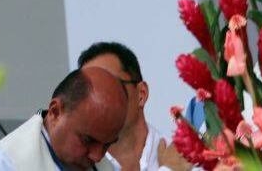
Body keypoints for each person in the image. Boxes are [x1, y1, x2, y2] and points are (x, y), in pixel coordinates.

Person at [0, 67, 128, 171]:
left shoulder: (109, 167)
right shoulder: (3, 165)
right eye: (88, 140)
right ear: (55, 112)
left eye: (107, 145)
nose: (97, 156)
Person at [77, 41, 191, 171]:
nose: (97, 99)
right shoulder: (77, 166)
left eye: (109, 86)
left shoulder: (184, 160)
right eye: (87, 92)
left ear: (141, 94)